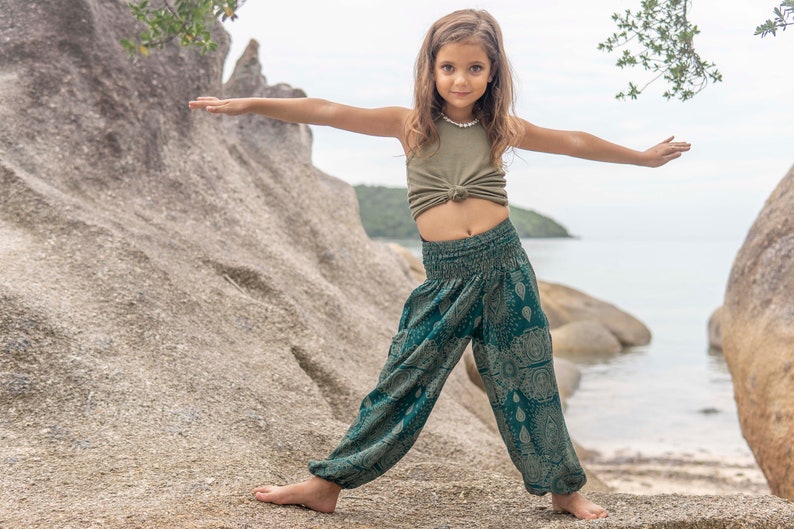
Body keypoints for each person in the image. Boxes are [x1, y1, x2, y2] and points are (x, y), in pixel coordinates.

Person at [189, 8, 689, 521]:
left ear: (493, 72)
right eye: (448, 67)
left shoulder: (501, 128)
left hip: (505, 266)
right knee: (403, 377)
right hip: (447, 273)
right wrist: (246, 103)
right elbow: (327, 109)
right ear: (430, 69)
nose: (460, 79)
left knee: (531, 378)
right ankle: (327, 483)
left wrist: (641, 157)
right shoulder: (409, 126)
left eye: (475, 68)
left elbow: (574, 142)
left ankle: (565, 491)